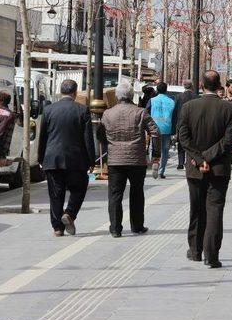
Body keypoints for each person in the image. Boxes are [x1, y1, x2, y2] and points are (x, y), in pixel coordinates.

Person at [178, 70, 232, 268]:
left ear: (201, 86)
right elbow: (228, 141)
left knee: (196, 209)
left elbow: (183, 137)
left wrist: (198, 158)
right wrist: (209, 158)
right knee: (215, 210)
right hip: (219, 168)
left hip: (195, 169)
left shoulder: (188, 107)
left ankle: (195, 250)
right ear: (219, 85)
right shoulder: (229, 109)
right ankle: (211, 255)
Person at [98, 82, 159, 238]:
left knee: (115, 195)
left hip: (115, 160)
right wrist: (155, 154)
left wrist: (110, 146)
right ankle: (137, 226)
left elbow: (100, 134)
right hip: (136, 160)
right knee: (137, 193)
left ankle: (115, 228)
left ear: (117, 96)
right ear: (132, 95)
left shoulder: (107, 114)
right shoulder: (141, 112)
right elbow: (155, 132)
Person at [38, 79, 96, 237]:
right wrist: (92, 160)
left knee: (55, 194)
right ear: (75, 93)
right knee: (79, 188)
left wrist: (41, 158)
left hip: (52, 159)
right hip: (76, 160)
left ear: (60, 91)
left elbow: (42, 136)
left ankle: (57, 228)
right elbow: (88, 139)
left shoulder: (49, 110)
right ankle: (70, 213)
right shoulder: (82, 110)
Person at [147, 82, 175, 179]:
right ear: (166, 90)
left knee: (153, 147)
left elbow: (146, 113)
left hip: (154, 127)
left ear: (157, 90)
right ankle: (161, 172)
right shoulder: (171, 101)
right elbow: (175, 117)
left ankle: (155, 162)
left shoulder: (152, 100)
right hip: (167, 128)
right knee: (165, 150)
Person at [171, 80, 197, 170]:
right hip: (193, 123)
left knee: (181, 143)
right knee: (191, 143)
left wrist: (174, 126)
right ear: (192, 86)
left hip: (181, 123)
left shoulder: (179, 97)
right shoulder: (196, 97)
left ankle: (180, 163)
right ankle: (189, 161)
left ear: (184, 86)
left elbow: (175, 111)